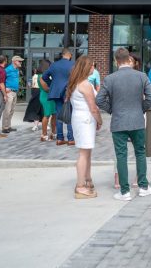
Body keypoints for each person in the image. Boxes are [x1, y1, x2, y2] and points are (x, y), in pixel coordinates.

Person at [97, 47, 151, 200]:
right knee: (140, 153)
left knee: (121, 155)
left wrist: (112, 110)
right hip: (137, 120)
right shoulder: (141, 76)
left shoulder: (110, 78)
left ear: (116, 61)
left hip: (118, 121)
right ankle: (143, 186)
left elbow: (99, 100)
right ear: (129, 60)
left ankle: (125, 191)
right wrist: (140, 109)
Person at [67, 55, 103, 199]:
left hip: (80, 118)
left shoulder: (76, 82)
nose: (93, 68)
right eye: (92, 66)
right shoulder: (85, 85)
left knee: (87, 152)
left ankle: (87, 179)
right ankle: (80, 185)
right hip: (86, 120)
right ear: (86, 67)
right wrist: (99, 120)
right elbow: (93, 108)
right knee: (83, 153)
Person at [42, 49, 75, 145]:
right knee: (69, 114)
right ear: (70, 55)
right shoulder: (73, 64)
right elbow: (77, 77)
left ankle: (60, 138)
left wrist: (52, 84)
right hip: (68, 92)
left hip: (56, 92)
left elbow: (44, 77)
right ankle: (71, 138)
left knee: (59, 115)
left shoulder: (54, 65)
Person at [2, 55, 22, 134]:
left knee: (12, 110)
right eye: (19, 61)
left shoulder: (16, 70)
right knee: (7, 110)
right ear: (14, 62)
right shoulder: (8, 69)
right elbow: (1, 79)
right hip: (9, 93)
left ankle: (8, 126)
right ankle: (4, 127)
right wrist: (5, 88)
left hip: (14, 92)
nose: (20, 62)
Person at [36, 59, 56, 142]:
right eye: (50, 65)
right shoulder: (41, 76)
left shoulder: (46, 75)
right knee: (47, 115)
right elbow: (46, 88)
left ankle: (53, 133)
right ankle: (43, 135)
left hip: (51, 96)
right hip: (46, 97)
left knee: (54, 114)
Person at [23, 66, 44, 132]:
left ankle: (36, 125)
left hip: (36, 92)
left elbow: (29, 85)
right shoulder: (42, 76)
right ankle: (42, 125)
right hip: (40, 92)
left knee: (36, 109)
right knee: (42, 109)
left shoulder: (34, 76)